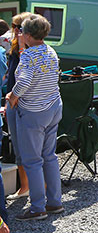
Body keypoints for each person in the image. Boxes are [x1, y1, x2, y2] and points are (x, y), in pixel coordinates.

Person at [10, 14, 63, 220]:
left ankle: (37, 207)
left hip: (33, 111)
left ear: (29, 35)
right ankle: (55, 202)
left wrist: (13, 96)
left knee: (32, 160)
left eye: (21, 31)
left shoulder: (28, 56)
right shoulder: (51, 51)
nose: (20, 34)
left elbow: (24, 82)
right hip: (53, 107)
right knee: (49, 156)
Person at [4, 13, 32, 200]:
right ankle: (25, 186)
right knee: (17, 146)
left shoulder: (29, 51)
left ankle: (28, 187)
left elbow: (24, 79)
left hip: (23, 103)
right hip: (12, 103)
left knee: (26, 147)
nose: (14, 31)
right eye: (14, 27)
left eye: (17, 27)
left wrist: (12, 98)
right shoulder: (14, 49)